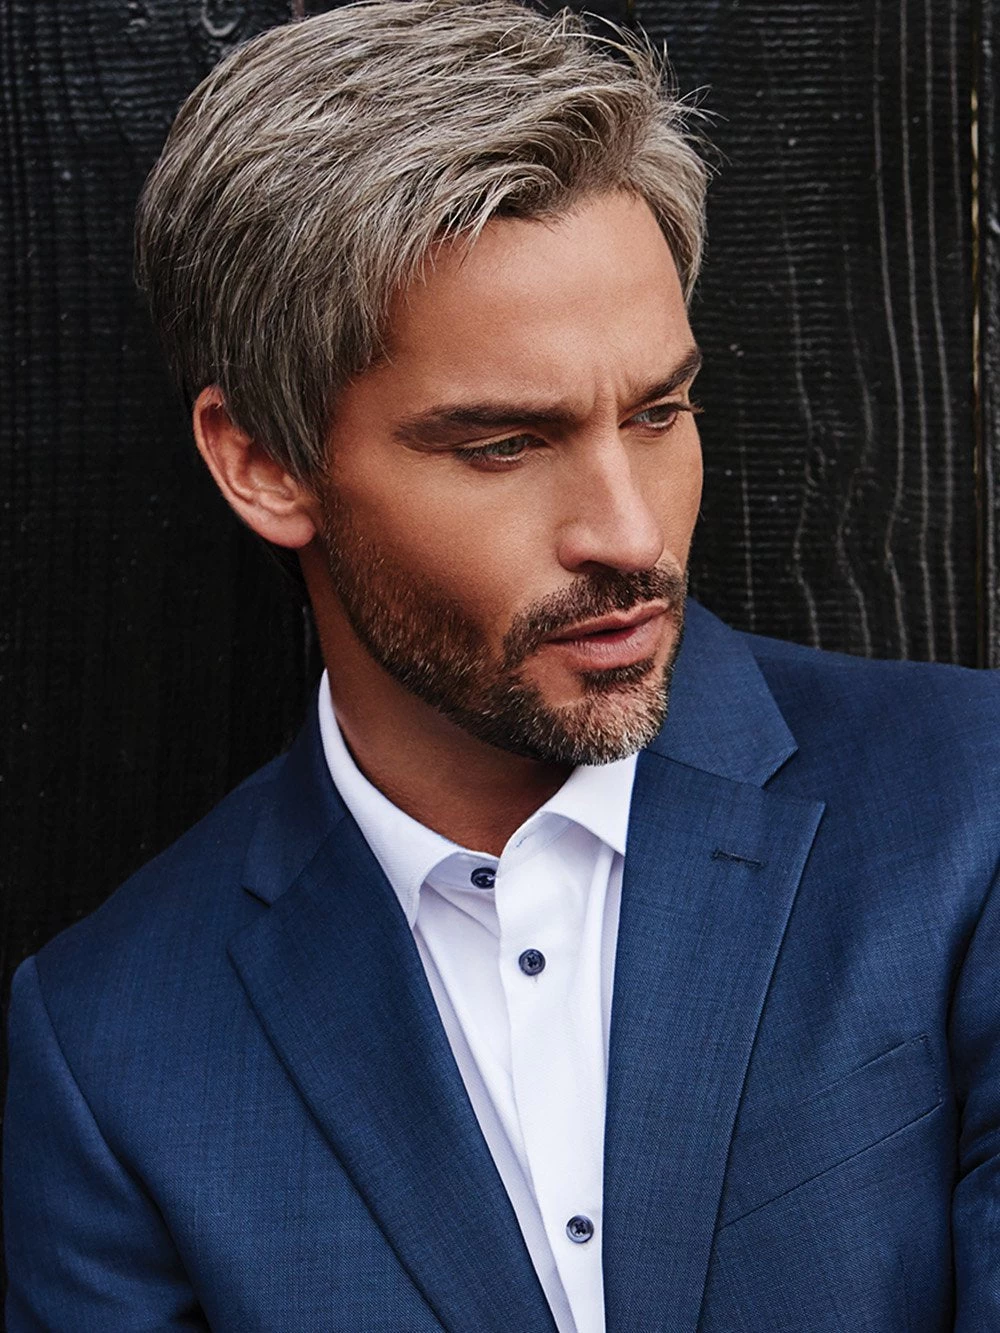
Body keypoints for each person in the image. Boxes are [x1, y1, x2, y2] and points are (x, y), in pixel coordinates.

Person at [4, 1, 999, 1328]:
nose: (630, 536)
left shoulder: (971, 809)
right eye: (504, 446)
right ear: (264, 464)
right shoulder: (111, 1051)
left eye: (659, 413)